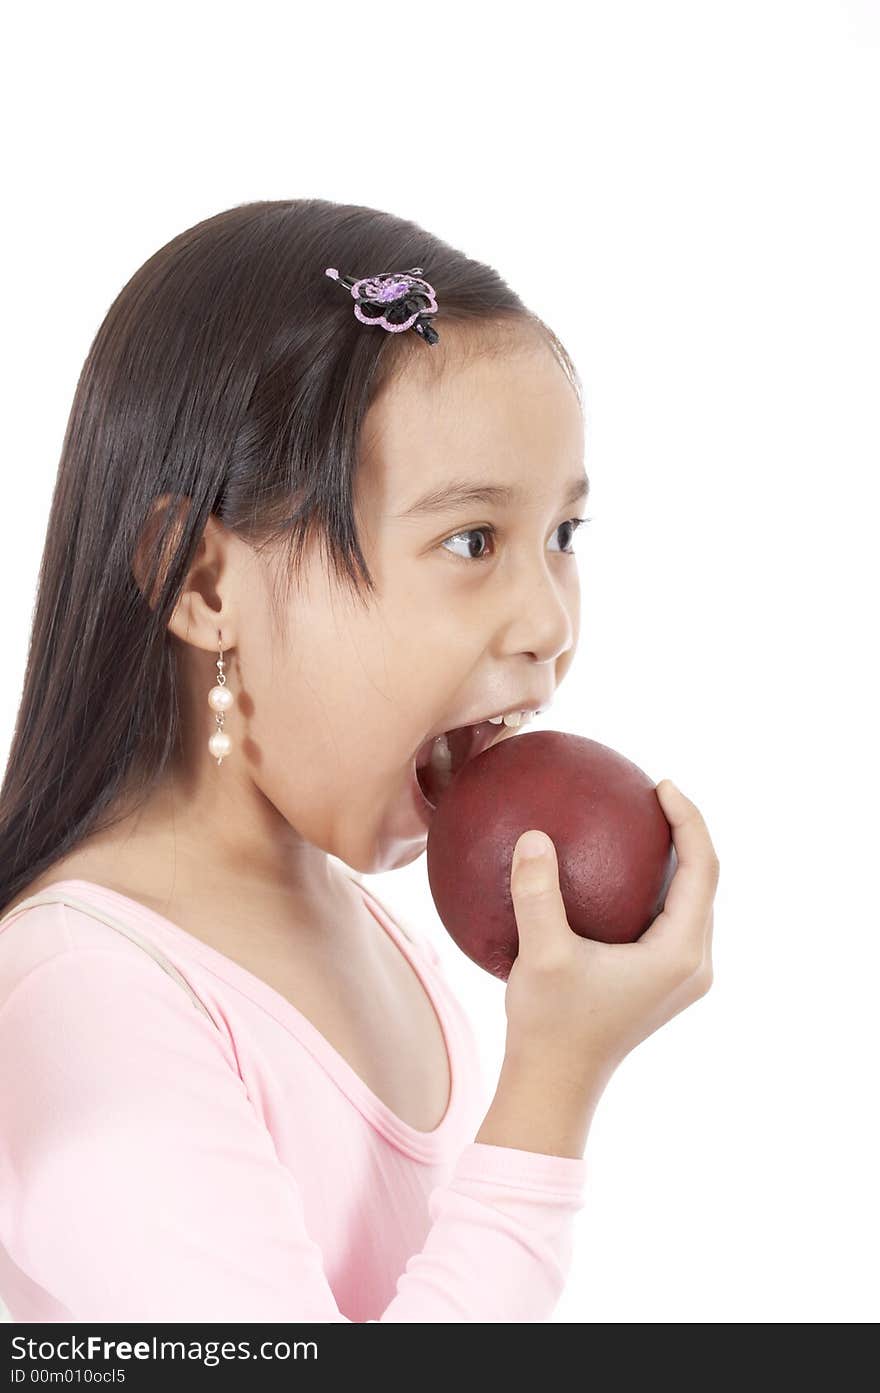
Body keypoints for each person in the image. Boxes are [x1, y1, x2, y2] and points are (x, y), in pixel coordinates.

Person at [0, 199, 719, 1322]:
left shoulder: (373, 937)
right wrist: (550, 1090)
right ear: (203, 584)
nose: (548, 620)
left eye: (562, 538)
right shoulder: (85, 997)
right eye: (470, 539)